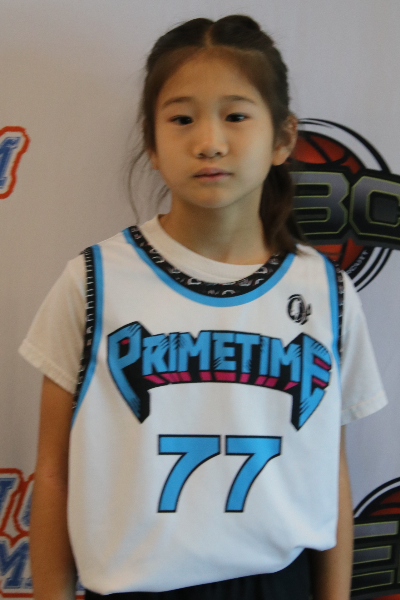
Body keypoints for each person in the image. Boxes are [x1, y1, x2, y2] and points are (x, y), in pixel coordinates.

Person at [19, 14, 387, 600]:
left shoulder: (327, 293)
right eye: (182, 118)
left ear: (283, 138)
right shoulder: (93, 282)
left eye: (236, 116)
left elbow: (329, 473)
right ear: (152, 141)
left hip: (279, 584)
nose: (209, 141)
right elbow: (56, 472)